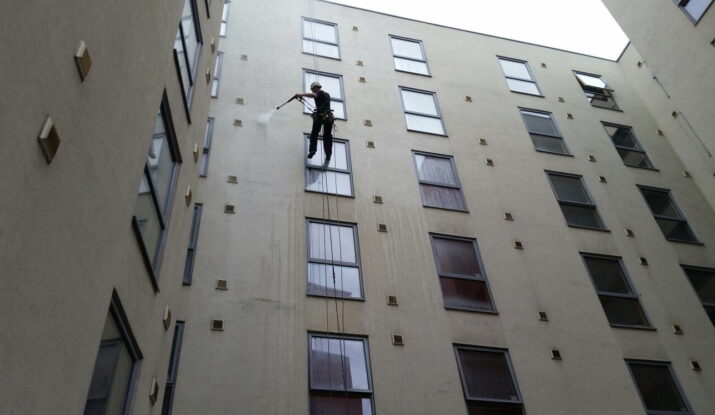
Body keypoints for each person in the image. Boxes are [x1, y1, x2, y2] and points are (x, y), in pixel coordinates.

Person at [296, 81, 333, 162]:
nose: (312, 91)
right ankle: (328, 154)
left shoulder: (320, 93)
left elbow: (314, 95)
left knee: (314, 134)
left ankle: (313, 150)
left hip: (322, 116)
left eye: (313, 89)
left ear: (316, 88)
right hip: (328, 117)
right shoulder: (325, 94)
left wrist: (301, 95)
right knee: (327, 136)